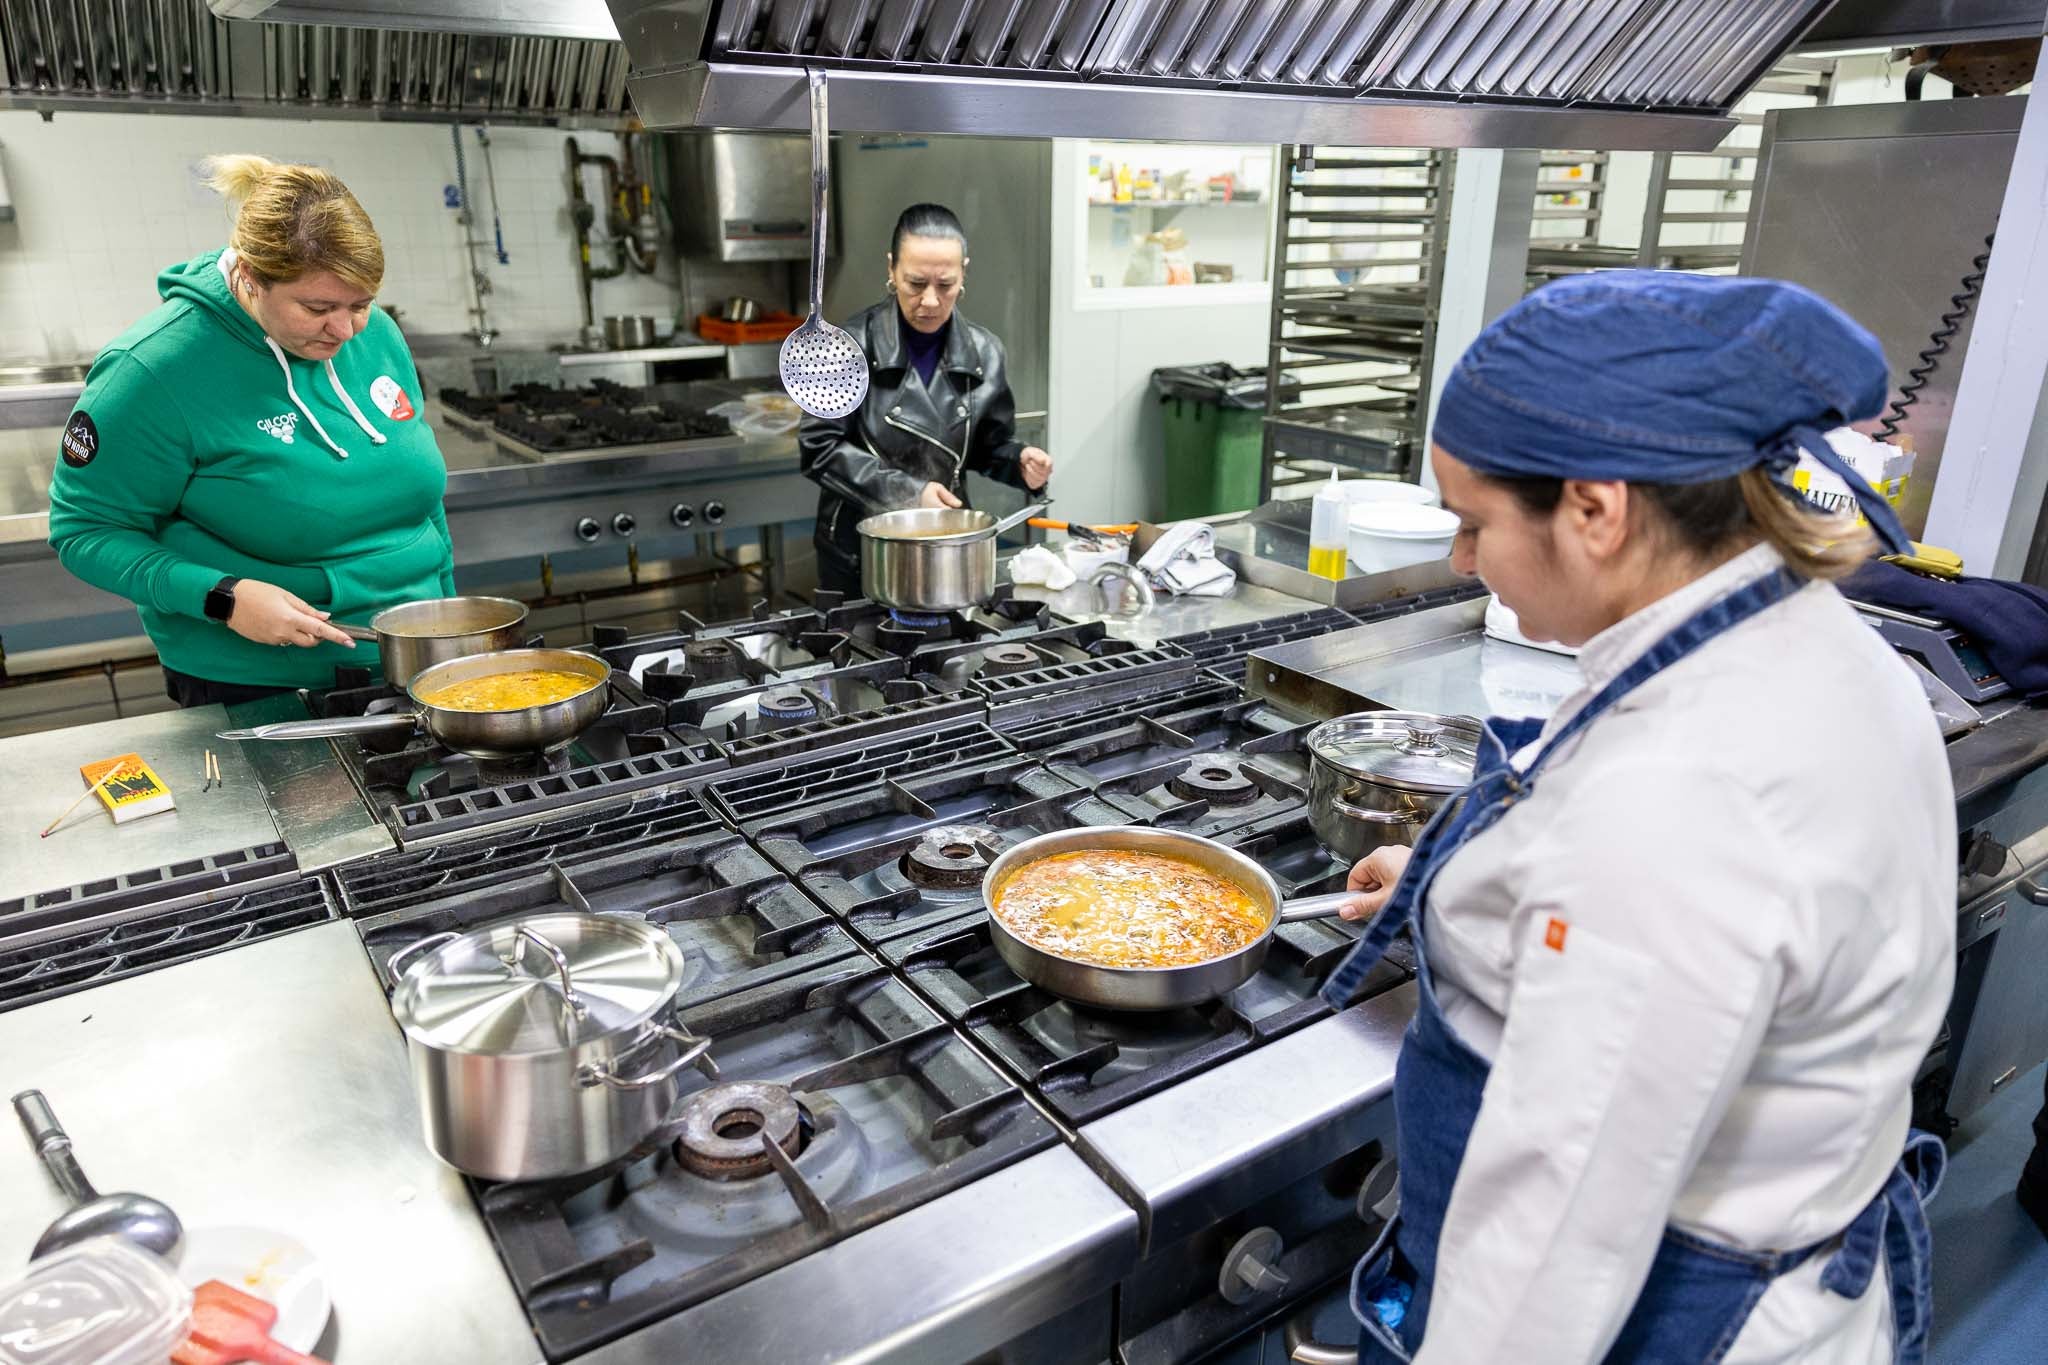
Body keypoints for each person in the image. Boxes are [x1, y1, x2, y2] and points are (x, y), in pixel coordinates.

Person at [1324, 272, 1955, 1363]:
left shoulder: (1678, 800)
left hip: (1676, 1319)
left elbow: (1549, 1247)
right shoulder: (1799, 638)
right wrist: (1476, 874)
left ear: (1593, 509)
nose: (1463, 562)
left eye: (1473, 523)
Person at [48, 154, 456, 707]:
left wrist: (451, 620)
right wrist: (222, 598)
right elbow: (84, 531)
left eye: (360, 304)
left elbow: (421, 497)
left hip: (420, 654)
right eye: (317, 307)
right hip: (262, 682)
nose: (344, 329)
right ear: (248, 276)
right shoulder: (152, 370)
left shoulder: (374, 334)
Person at [797, 203, 1051, 599]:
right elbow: (819, 449)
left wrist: (1019, 463)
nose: (930, 301)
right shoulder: (845, 347)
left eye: (945, 284)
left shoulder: (984, 352)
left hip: (947, 548)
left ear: (964, 271)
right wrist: (910, 494)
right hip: (862, 551)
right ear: (891, 270)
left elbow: (986, 446)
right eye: (915, 283)